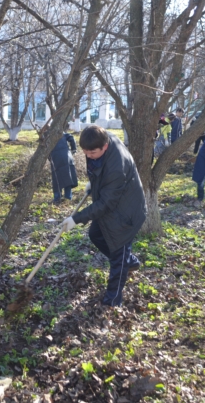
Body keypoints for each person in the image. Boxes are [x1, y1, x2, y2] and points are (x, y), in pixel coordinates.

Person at [60, 125, 146, 307]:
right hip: (112, 203)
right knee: (96, 235)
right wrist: (94, 183)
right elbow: (99, 169)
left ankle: (113, 301)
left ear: (105, 147)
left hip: (126, 212)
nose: (88, 155)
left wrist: (76, 219)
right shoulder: (100, 139)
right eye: (85, 151)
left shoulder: (116, 167)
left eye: (92, 152)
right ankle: (129, 261)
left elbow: (106, 203)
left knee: (118, 255)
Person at [49, 131, 78, 203]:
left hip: (55, 157)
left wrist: (49, 158)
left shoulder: (47, 135)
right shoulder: (61, 133)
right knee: (67, 176)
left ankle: (57, 198)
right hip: (67, 156)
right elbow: (71, 138)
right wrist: (73, 150)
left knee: (56, 178)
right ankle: (68, 197)